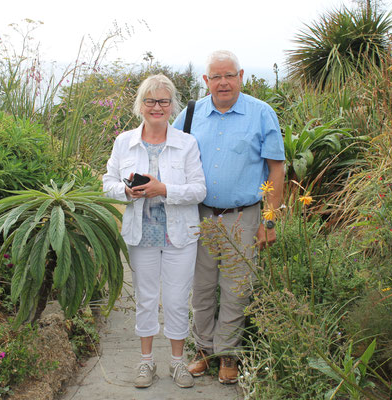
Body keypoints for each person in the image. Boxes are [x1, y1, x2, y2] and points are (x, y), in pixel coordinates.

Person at [173, 50, 285, 384]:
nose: (223, 83)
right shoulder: (191, 114)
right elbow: (166, 148)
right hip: (200, 215)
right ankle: (203, 350)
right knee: (202, 287)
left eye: (229, 75)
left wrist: (270, 219)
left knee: (237, 289)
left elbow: (276, 169)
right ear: (206, 81)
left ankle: (228, 354)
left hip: (243, 217)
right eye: (216, 77)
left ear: (241, 76)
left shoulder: (261, 114)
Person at [103, 74, 206, 389]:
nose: (157, 107)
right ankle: (146, 362)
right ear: (141, 105)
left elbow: (199, 190)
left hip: (180, 235)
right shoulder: (125, 142)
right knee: (146, 299)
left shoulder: (186, 143)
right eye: (150, 101)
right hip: (141, 234)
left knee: (176, 299)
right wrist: (125, 191)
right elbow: (107, 183)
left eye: (163, 101)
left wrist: (164, 189)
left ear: (172, 105)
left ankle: (177, 363)